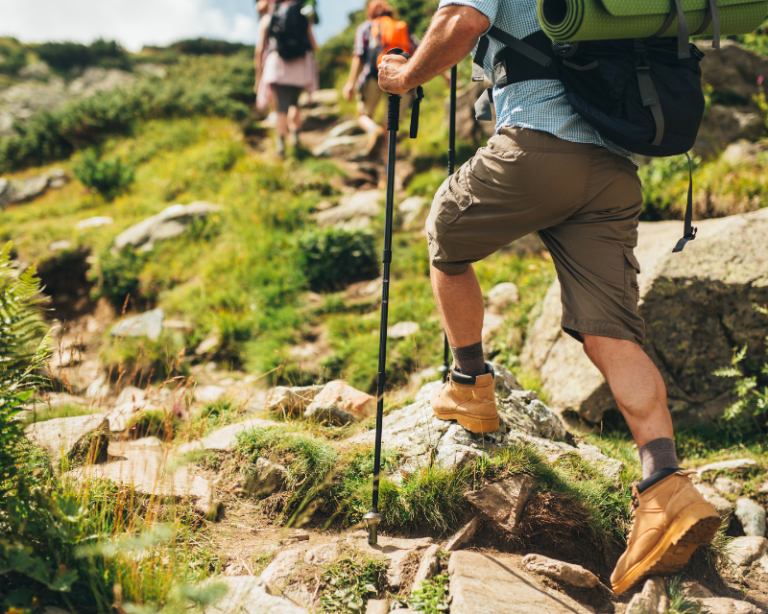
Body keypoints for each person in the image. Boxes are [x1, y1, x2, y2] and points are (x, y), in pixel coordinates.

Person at [377, 0, 721, 596]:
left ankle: (470, 387)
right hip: (612, 169)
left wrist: (405, 77)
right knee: (611, 334)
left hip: (538, 147)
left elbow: (459, 24)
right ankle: (666, 486)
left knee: (445, 234)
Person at [343, 0, 419, 159]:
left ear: (370, 12)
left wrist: (350, 84)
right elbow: (420, 51)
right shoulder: (401, 27)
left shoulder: (366, 27)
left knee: (363, 115)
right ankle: (388, 167)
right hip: (400, 77)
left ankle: (373, 130)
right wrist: (445, 75)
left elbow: (358, 55)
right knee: (391, 125)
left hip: (373, 74)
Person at [256, 0, 319, 157]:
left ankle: (281, 147)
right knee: (295, 104)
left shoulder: (268, 18)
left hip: (277, 66)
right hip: (300, 67)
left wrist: (259, 77)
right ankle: (296, 139)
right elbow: (314, 46)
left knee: (281, 109)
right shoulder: (303, 15)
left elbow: (259, 50)